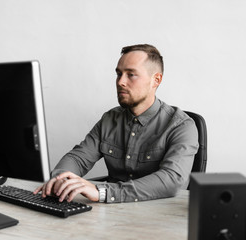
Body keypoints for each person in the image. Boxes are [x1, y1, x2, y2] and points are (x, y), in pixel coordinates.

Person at [34, 44, 199, 203]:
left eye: (131, 74)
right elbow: (78, 158)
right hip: (110, 214)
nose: (121, 81)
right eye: (119, 74)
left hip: (156, 217)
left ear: (156, 80)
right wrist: (62, 179)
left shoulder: (182, 126)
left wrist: (103, 193)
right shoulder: (110, 119)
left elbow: (172, 179)